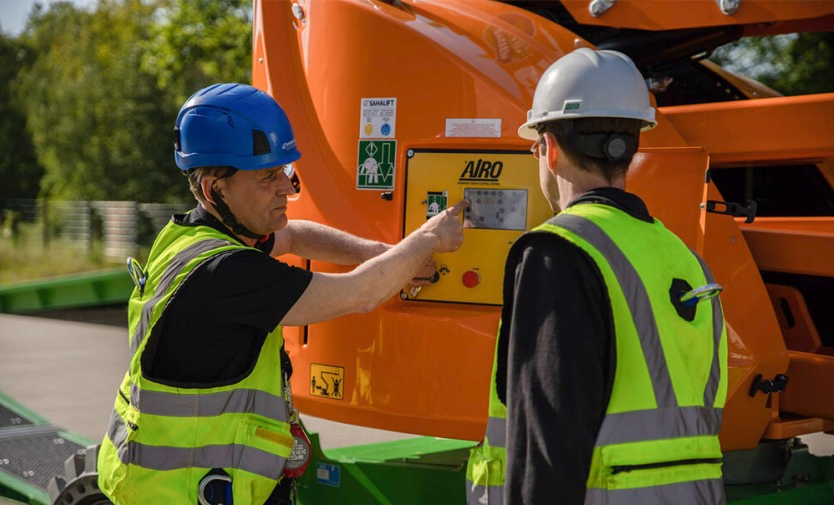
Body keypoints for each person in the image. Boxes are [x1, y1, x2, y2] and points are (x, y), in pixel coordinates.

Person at [96, 83, 467, 505]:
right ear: (216, 188)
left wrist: (379, 252)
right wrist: (426, 240)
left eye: (285, 172)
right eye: (267, 177)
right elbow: (360, 294)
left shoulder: (190, 235)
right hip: (179, 492)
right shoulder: (226, 272)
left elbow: (292, 236)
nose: (286, 189)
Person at [466, 48, 728, 504]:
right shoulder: (682, 256)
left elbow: (547, 444)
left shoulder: (557, 252)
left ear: (548, 148)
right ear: (633, 145)